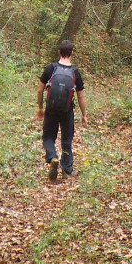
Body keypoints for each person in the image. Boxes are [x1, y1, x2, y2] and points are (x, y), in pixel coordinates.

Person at [37, 39, 87, 181]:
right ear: (72, 53)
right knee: (67, 140)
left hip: (51, 109)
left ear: (59, 52)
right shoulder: (75, 72)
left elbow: (40, 90)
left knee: (48, 137)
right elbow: (81, 96)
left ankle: (53, 157)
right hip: (67, 111)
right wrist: (84, 115)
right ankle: (67, 170)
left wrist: (40, 108)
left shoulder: (50, 68)